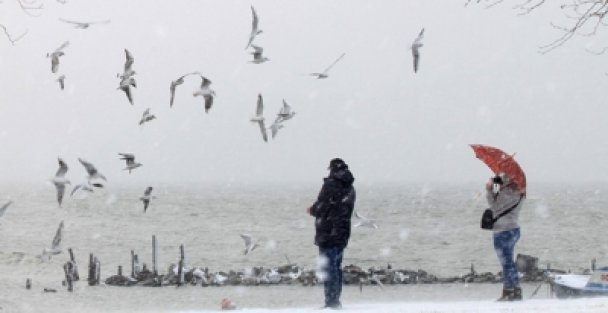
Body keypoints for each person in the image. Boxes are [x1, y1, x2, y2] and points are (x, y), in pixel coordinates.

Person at [307, 158, 356, 309]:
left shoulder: (331, 184)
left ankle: (331, 302)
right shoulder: (350, 188)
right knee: (336, 266)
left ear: (332, 169)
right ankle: (336, 300)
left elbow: (322, 205)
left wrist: (312, 210)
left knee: (328, 267)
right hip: (342, 232)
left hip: (328, 232)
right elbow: (344, 209)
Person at [486, 173, 525, 301]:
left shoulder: (503, 194)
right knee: (509, 261)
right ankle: (516, 290)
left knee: (506, 263)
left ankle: (509, 291)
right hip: (514, 229)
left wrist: (489, 188)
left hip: (502, 231)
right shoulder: (520, 194)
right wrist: (497, 186)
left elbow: (493, 205)